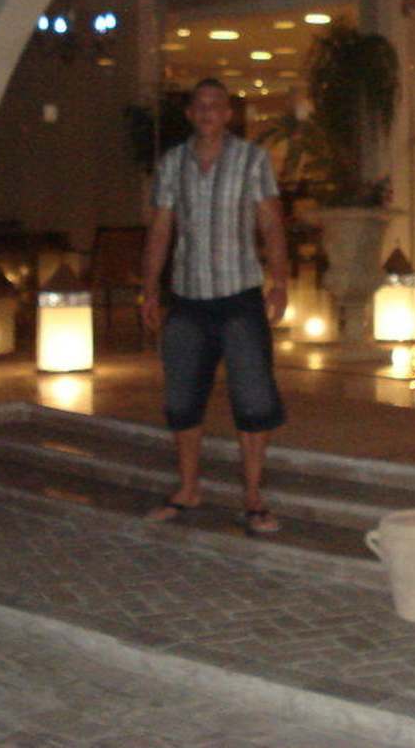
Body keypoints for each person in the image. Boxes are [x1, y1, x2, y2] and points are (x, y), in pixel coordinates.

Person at [140, 78, 290, 535]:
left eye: (216, 105)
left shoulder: (252, 159)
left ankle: (253, 496)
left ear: (228, 114)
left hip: (240, 297)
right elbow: (161, 229)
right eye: (200, 105)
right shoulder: (172, 164)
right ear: (190, 113)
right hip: (188, 300)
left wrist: (280, 281)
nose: (208, 112)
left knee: (254, 398)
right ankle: (188, 488)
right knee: (182, 398)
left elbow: (271, 223)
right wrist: (150, 289)